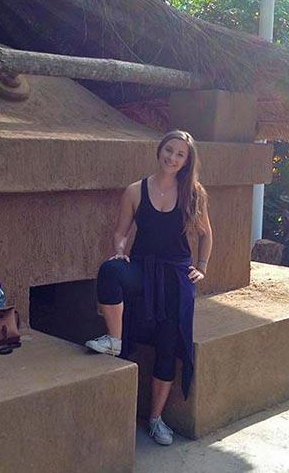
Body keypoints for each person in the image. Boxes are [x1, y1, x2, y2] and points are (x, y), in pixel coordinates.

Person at [85, 130, 213, 446]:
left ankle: (156, 420)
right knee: (111, 271)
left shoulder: (193, 194)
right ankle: (114, 340)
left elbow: (206, 235)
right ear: (160, 151)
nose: (172, 157)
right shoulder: (135, 191)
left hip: (176, 278)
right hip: (143, 267)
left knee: (167, 347)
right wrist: (119, 248)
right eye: (168, 150)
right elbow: (121, 231)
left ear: (187, 161)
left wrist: (202, 268)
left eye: (180, 154)